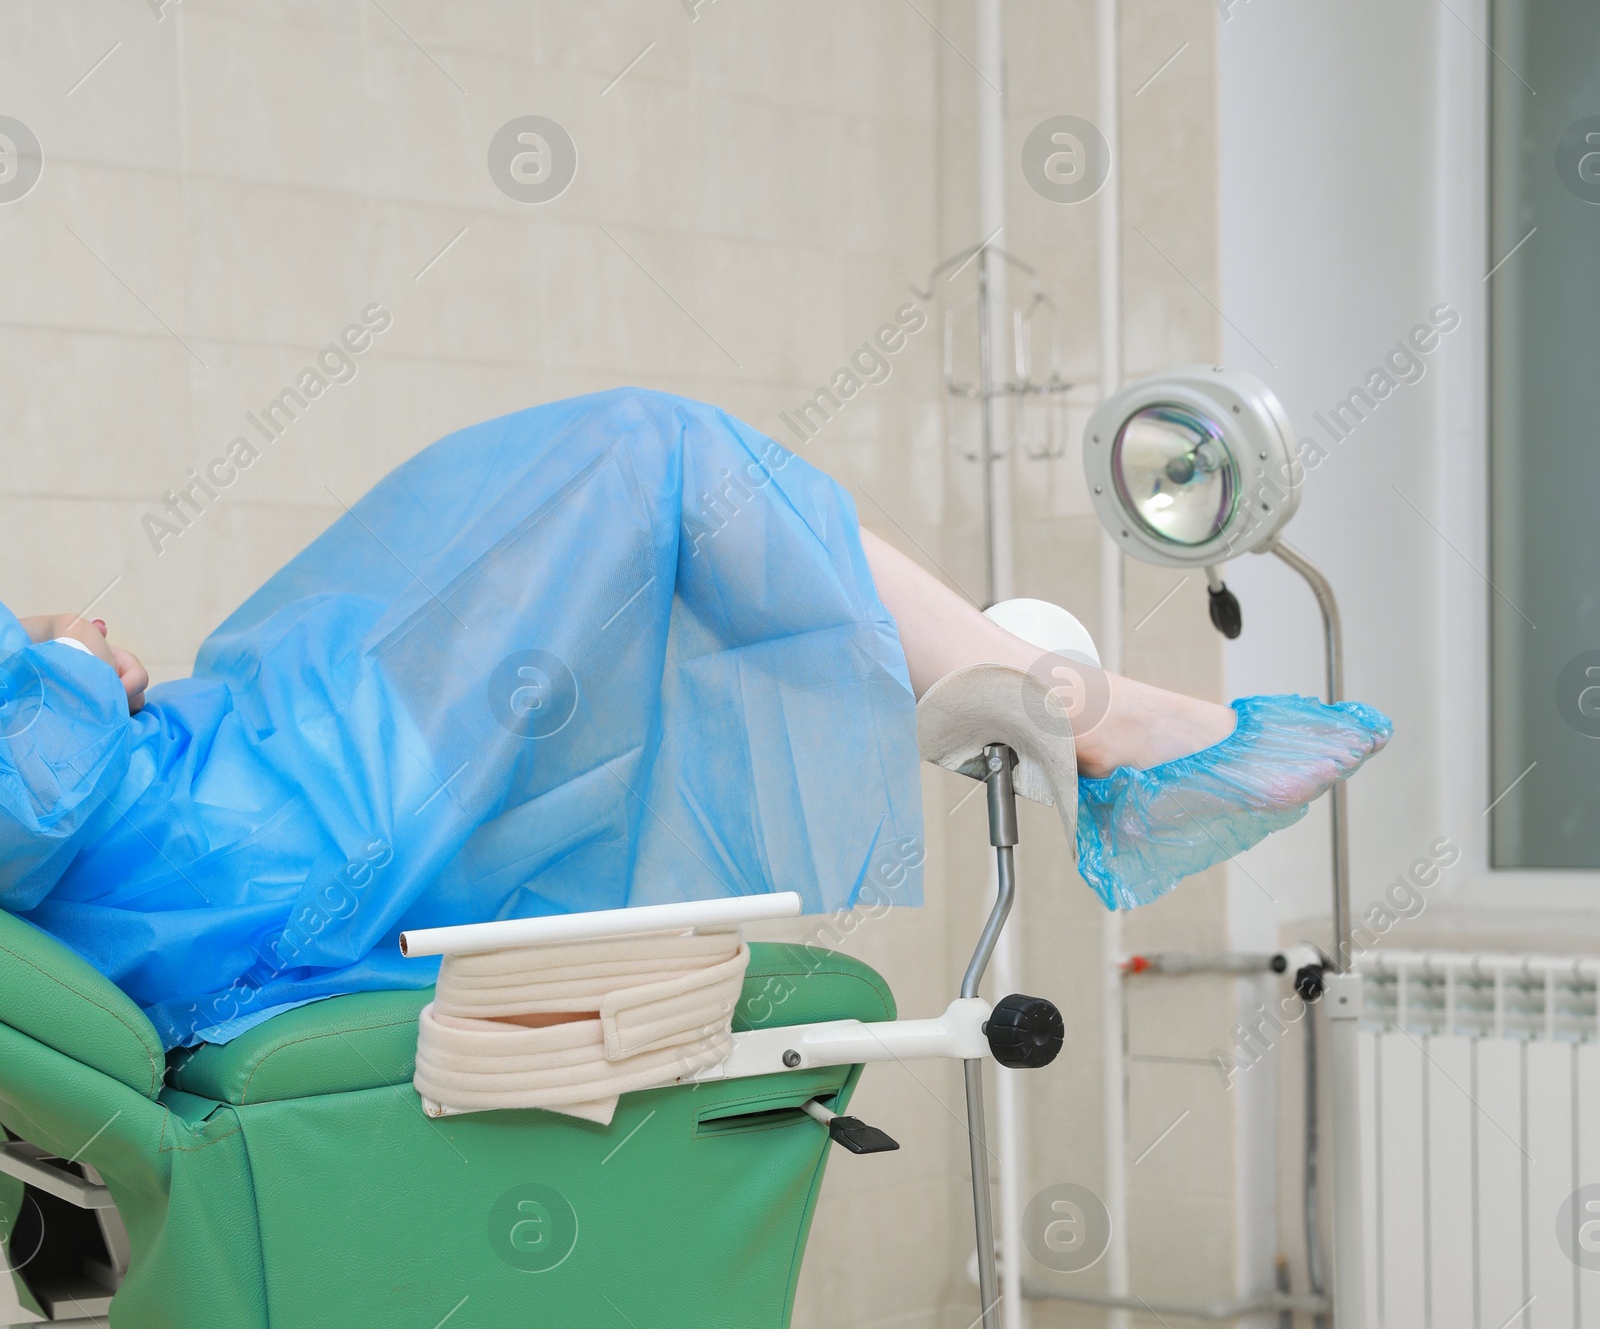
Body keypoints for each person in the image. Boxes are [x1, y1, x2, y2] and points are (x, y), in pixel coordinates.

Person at [0, 389, 1386, 1049]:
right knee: (655, 453)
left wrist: (56, 666)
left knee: (686, 500)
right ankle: (1084, 726)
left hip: (232, 812)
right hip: (254, 829)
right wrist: (63, 662)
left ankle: (1074, 719)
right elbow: (23, 808)